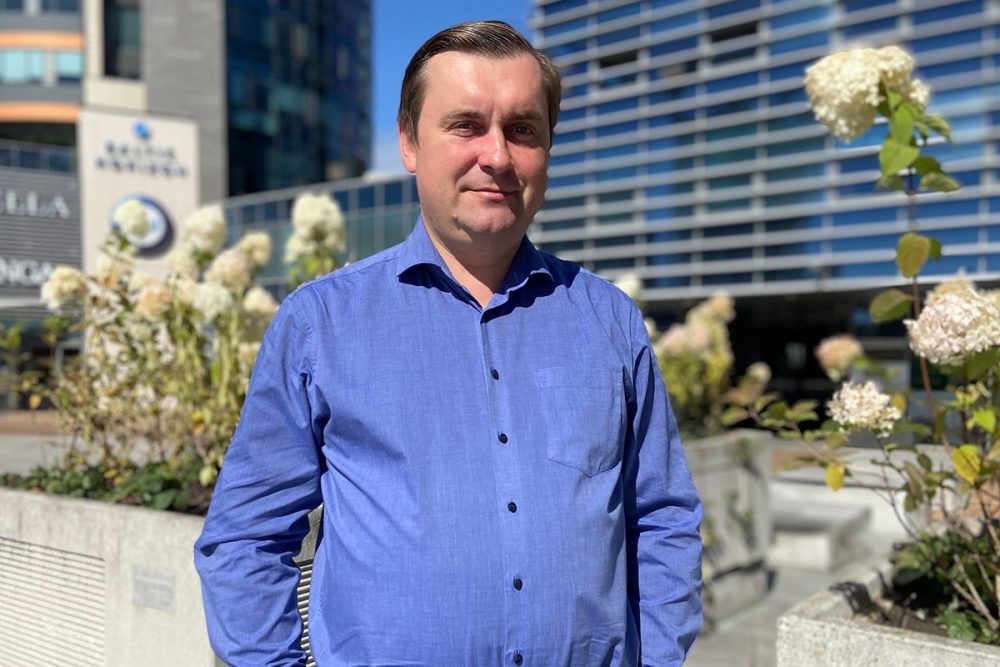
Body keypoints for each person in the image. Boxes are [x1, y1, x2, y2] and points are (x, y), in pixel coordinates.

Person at [195, 20, 702, 666]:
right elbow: (245, 540)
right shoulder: (321, 324)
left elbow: (662, 519)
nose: (497, 156)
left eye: (523, 129)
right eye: (466, 125)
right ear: (409, 143)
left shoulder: (609, 322)